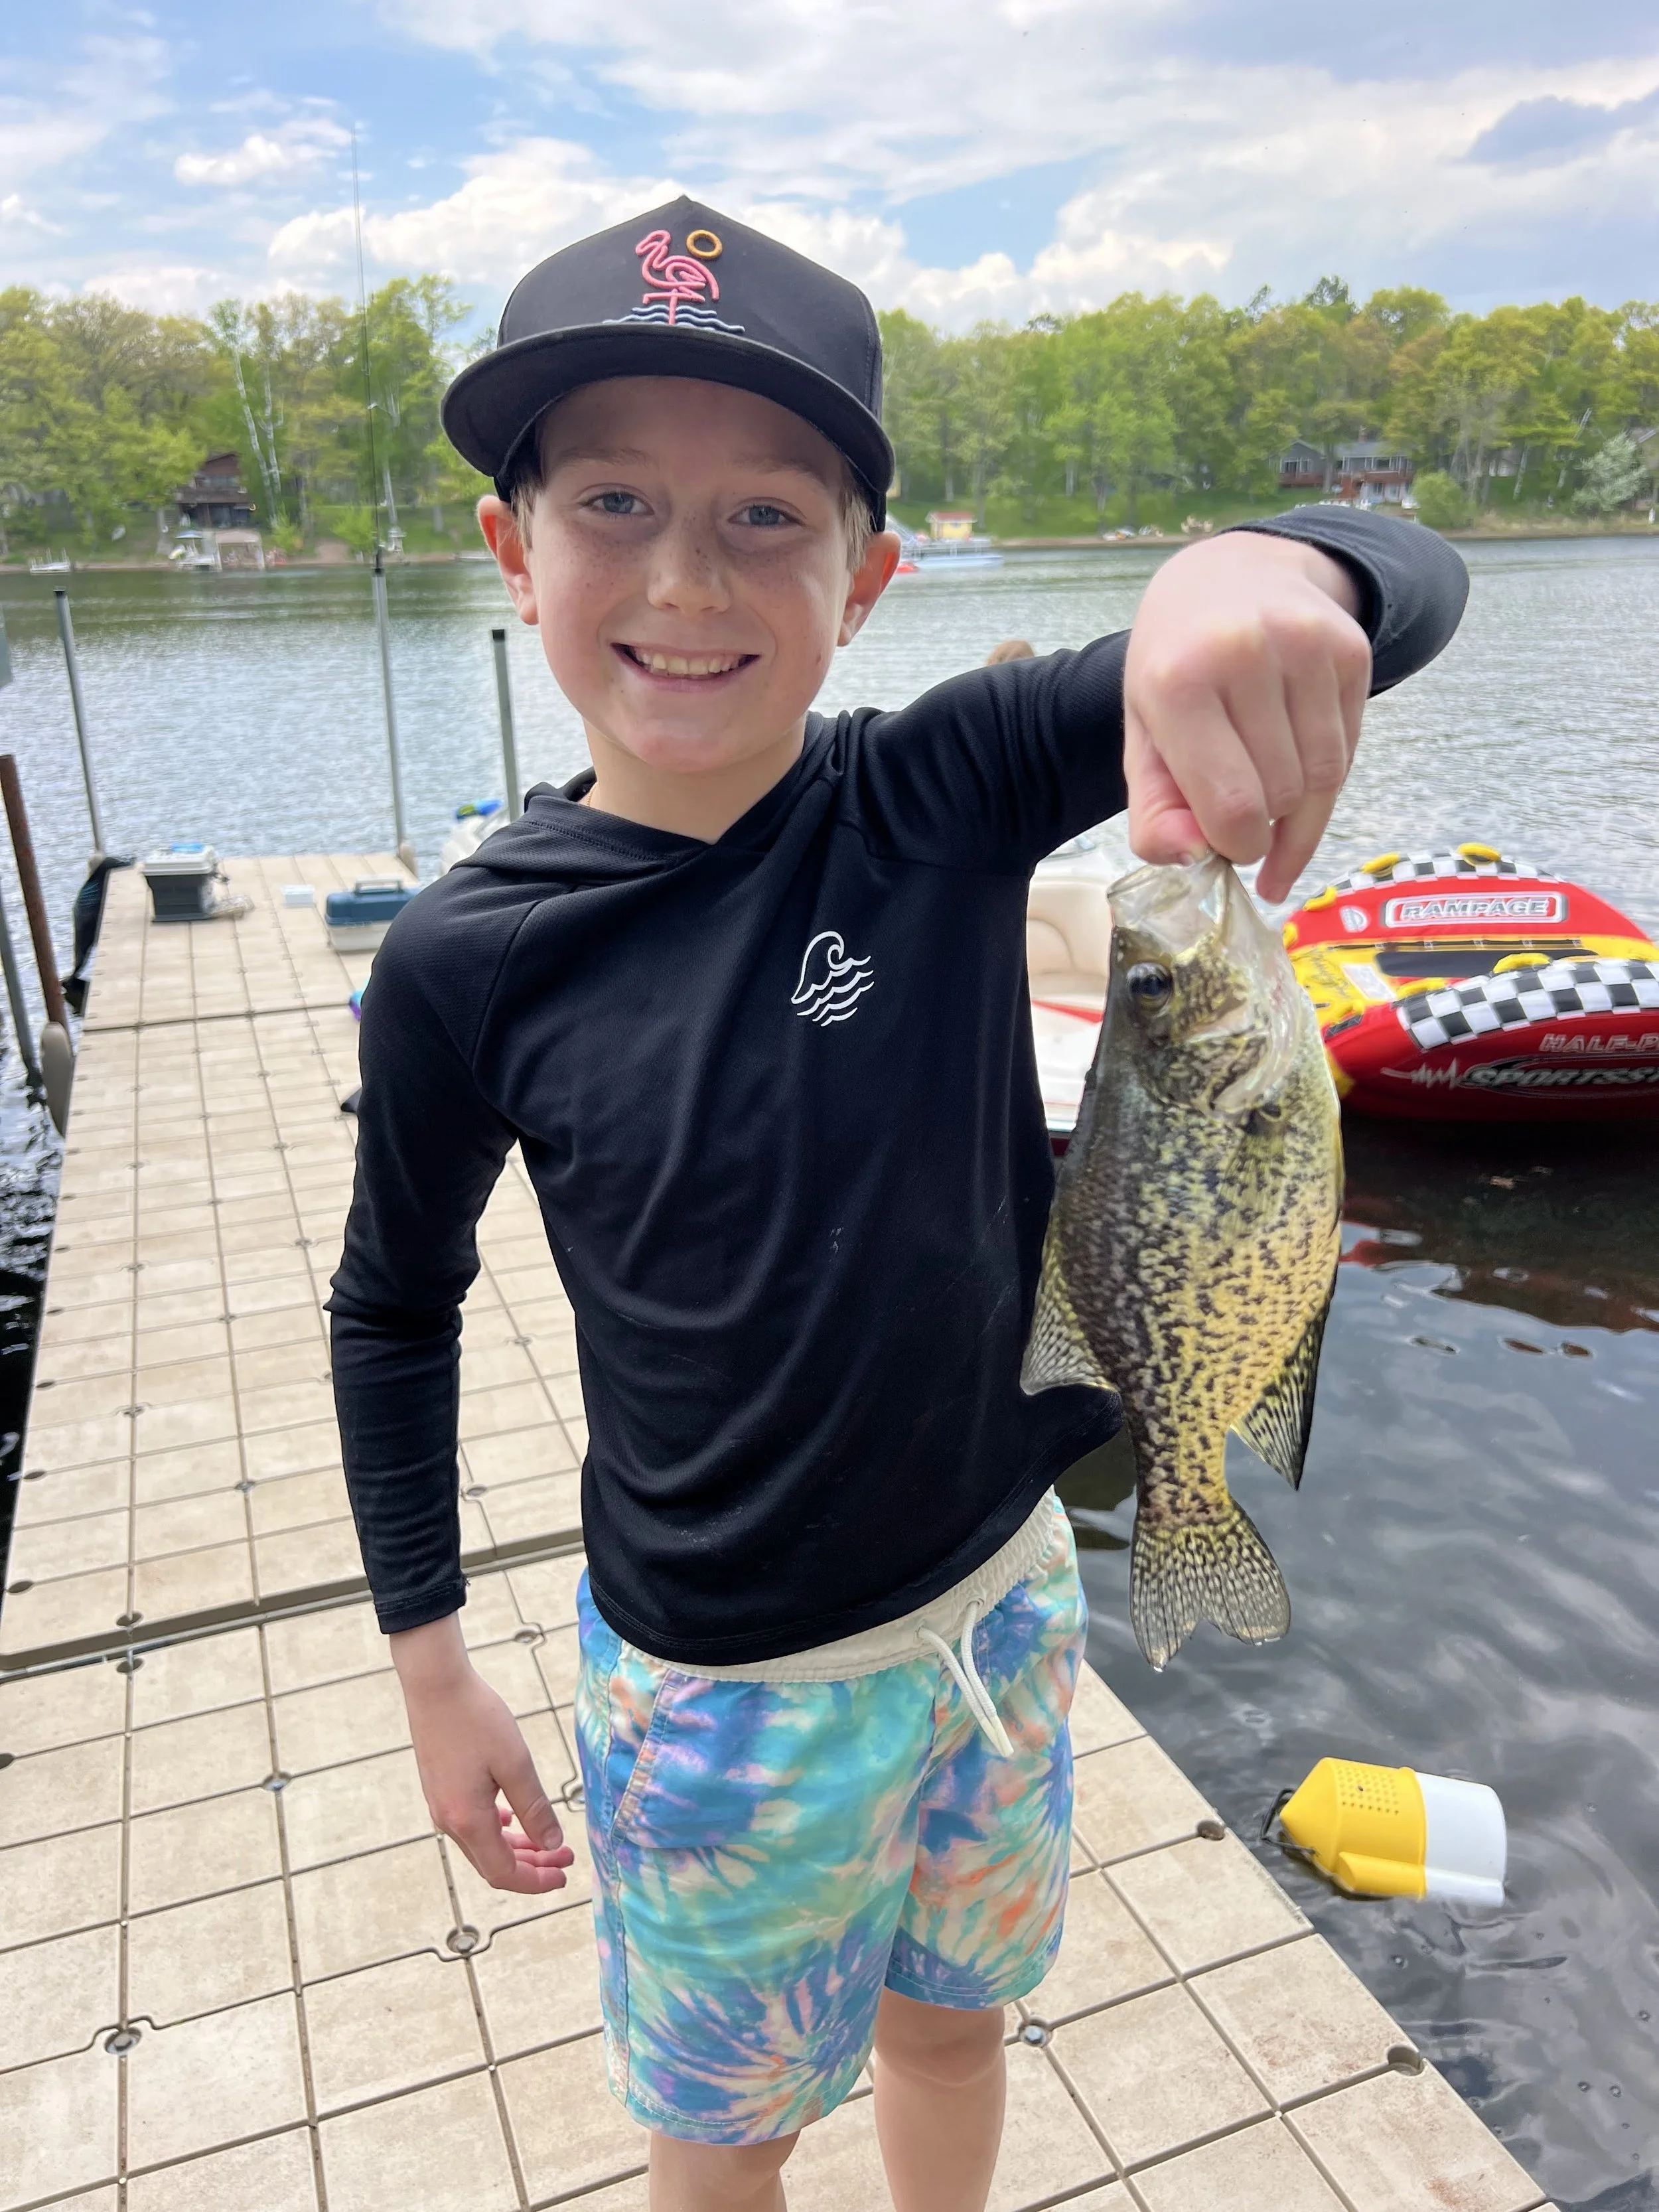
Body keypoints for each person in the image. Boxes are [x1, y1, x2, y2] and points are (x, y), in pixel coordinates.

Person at [330, 198, 1467, 2212]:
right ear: (512, 550)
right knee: (727, 2134)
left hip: (998, 1605)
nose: (686, 578)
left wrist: (1249, 568)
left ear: (868, 579)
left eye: (767, 517)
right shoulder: (459, 960)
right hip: (716, 1690)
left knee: (954, 2023)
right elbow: (393, 1305)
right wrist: (432, 1665)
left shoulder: (925, 794)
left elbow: (1406, 585)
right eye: (613, 500)